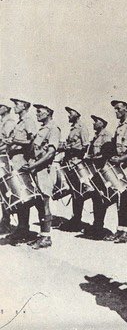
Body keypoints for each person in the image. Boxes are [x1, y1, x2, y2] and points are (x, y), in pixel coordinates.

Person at [21, 104, 61, 249]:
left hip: (44, 170)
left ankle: (46, 237)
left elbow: (50, 153)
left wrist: (33, 165)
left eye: (39, 112)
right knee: (39, 203)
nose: (37, 114)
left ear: (48, 112)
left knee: (44, 202)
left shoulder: (53, 129)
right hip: (36, 169)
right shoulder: (42, 129)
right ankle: (42, 235)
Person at [101, 100, 127, 244]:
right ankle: (120, 230)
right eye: (115, 109)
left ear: (126, 109)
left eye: (118, 108)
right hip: (118, 166)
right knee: (120, 198)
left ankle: (126, 232)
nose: (116, 111)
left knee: (125, 197)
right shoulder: (119, 127)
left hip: (126, 166)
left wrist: (121, 159)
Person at [5, 98, 37, 241]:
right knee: (18, 196)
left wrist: (15, 142)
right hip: (14, 159)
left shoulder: (28, 121)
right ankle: (22, 228)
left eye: (17, 105)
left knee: (25, 196)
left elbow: (32, 141)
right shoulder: (20, 122)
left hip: (21, 160)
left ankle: (25, 229)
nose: (15, 107)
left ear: (24, 106)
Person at [59, 107, 90, 232]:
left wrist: (77, 158)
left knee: (79, 192)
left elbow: (85, 146)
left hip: (76, 163)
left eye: (70, 113)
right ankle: (75, 218)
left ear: (77, 114)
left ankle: (77, 219)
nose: (68, 116)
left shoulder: (82, 128)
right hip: (69, 162)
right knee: (74, 192)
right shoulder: (73, 129)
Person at [83, 115, 113, 239]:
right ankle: (97, 225)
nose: (94, 123)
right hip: (95, 171)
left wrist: (91, 158)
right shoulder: (96, 136)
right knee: (95, 198)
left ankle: (99, 227)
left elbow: (106, 154)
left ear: (103, 122)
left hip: (103, 171)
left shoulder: (106, 135)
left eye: (96, 121)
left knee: (101, 199)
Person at [0, 103, 16, 233]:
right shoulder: (2, 121)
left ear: (7, 108)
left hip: (5, 159)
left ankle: (6, 222)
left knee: (4, 190)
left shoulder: (9, 122)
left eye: (1, 106)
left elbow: (9, 143)